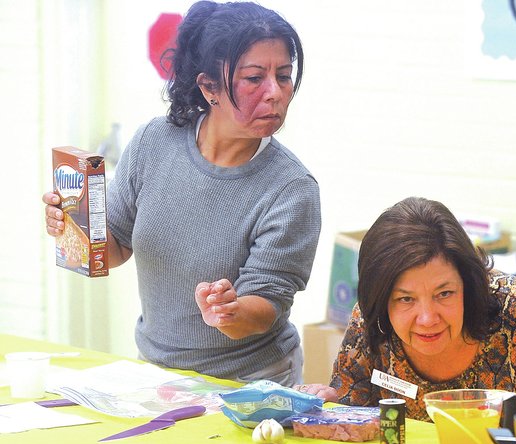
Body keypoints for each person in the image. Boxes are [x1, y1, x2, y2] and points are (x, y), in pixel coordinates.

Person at [41, 1, 320, 386]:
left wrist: (229, 311)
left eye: (284, 75)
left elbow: (267, 305)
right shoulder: (153, 142)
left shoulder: (291, 189)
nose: (275, 92)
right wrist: (73, 225)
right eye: (255, 78)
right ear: (209, 87)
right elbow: (115, 247)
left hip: (249, 382)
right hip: (156, 372)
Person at [299, 197, 516, 420]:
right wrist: (325, 405)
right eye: (405, 299)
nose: (427, 319)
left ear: (469, 284)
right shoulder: (372, 319)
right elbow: (353, 415)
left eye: (445, 293)